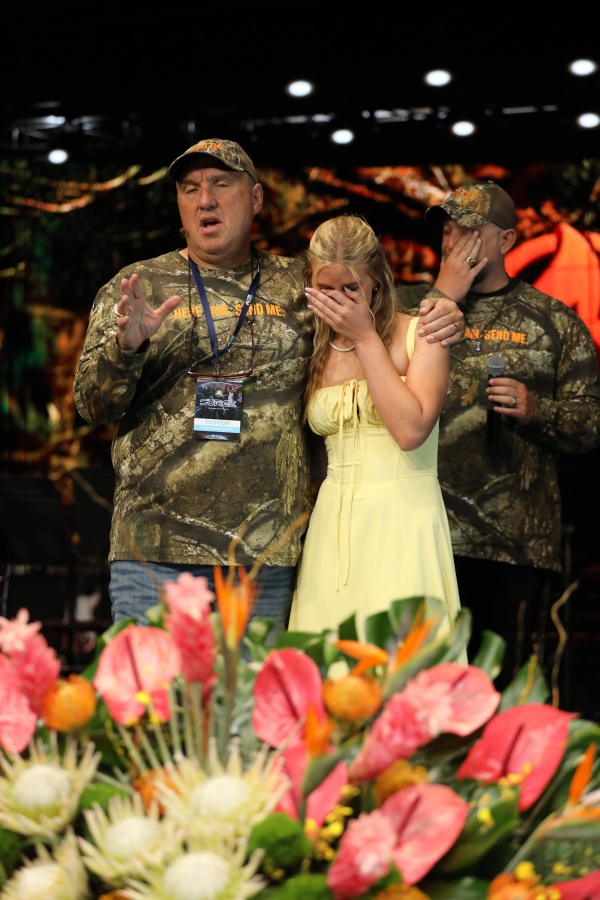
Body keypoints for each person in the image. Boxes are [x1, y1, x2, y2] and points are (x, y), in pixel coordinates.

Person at [73, 139, 464, 634]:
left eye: (221, 184)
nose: (205, 200)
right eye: (190, 188)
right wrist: (125, 349)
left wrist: (444, 309)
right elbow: (91, 406)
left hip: (265, 555)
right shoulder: (137, 286)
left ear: (256, 198)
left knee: (264, 689)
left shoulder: (298, 286)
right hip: (155, 552)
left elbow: (371, 302)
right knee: (153, 688)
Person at [399, 180, 600, 683]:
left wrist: (537, 410)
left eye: (469, 231)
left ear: (507, 241)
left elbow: (590, 425)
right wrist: (442, 294)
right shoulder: (407, 308)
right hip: (420, 534)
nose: (453, 243)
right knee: (417, 685)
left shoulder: (554, 322)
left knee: (497, 685)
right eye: (447, 231)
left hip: (512, 544)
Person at [290, 215, 468, 637]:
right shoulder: (310, 346)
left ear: (377, 280)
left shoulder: (422, 333)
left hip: (403, 518)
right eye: (326, 289)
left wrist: (366, 338)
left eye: (351, 288)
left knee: (401, 660)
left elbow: (411, 431)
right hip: (332, 527)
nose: (340, 301)